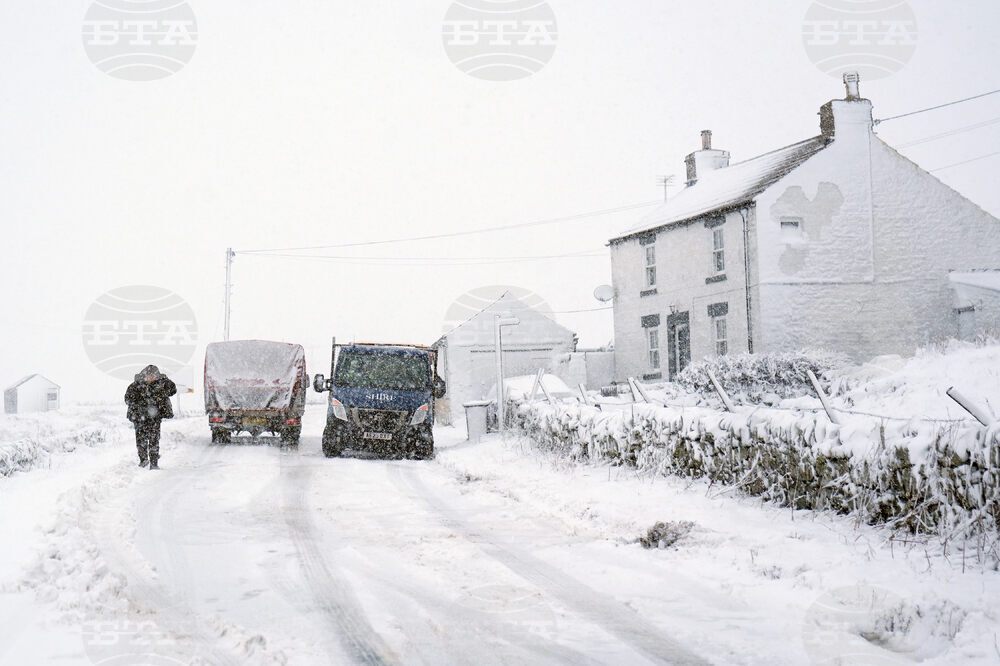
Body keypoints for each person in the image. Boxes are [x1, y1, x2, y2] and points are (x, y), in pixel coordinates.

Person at [124, 364, 176, 469]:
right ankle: (143, 460)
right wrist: (138, 407)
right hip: (139, 418)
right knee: (141, 440)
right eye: (149, 375)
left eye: (154, 375)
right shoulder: (136, 385)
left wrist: (164, 379)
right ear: (144, 375)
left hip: (154, 418)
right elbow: (127, 399)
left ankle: (154, 463)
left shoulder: (160, 384)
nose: (151, 377)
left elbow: (172, 390)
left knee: (154, 440)